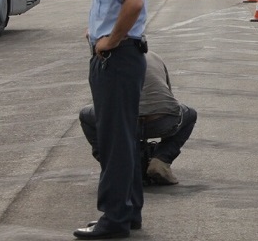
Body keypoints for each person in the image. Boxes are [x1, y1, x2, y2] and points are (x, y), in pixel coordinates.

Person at [74, 0, 148, 240]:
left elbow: (133, 4)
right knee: (124, 139)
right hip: (116, 59)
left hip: (117, 60)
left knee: (114, 140)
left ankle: (114, 218)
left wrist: (110, 41)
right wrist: (97, 33)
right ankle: (128, 211)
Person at [79, 50, 196, 186]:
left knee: (85, 116)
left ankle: (115, 165)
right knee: (190, 115)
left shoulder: (102, 61)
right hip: (162, 121)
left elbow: (100, 101)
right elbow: (168, 97)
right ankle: (162, 160)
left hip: (123, 122)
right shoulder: (153, 56)